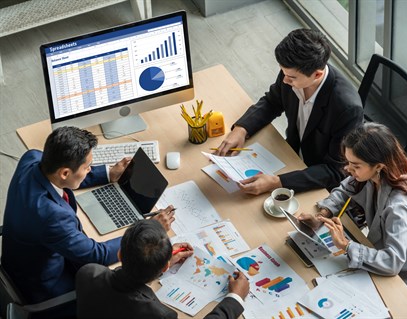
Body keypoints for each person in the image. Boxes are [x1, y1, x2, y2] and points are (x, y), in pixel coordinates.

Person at [1, 126, 176, 309]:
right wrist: (150, 232)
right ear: (65, 173)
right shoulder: (52, 217)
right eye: (87, 167)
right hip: (44, 287)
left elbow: (64, 176)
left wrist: (108, 173)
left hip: (19, 259)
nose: (89, 169)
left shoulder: (32, 158)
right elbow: (96, 255)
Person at [298, 122, 407, 316]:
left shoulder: (399, 207)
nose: (348, 169)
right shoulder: (373, 174)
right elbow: (344, 191)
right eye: (348, 162)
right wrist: (322, 216)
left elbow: (392, 262)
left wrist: (346, 245)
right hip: (385, 259)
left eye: (355, 166)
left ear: (378, 166)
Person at [215, 28, 363, 194]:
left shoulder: (347, 109)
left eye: (291, 77)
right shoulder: (291, 73)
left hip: (316, 178)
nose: (285, 80)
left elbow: (336, 171)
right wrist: (242, 129)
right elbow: (272, 102)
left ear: (317, 74)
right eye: (283, 72)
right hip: (289, 155)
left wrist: (278, 182)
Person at [76, 219, 249, 319]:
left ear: (120, 254)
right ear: (166, 266)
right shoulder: (159, 315)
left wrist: (155, 263)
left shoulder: (88, 272)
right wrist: (235, 299)